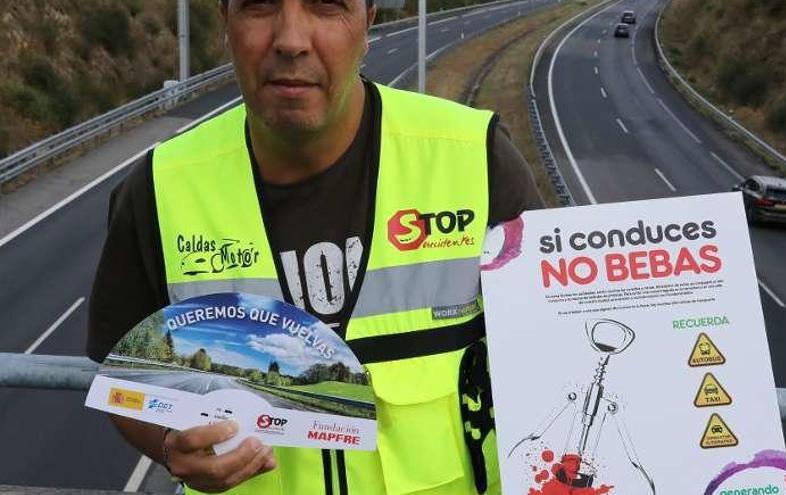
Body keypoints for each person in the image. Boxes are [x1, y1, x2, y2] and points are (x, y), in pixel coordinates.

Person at [87, 0, 543, 493]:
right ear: (226, 21)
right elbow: (127, 384)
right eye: (259, 6)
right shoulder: (159, 190)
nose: (290, 39)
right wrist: (170, 446)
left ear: (368, 21)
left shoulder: (475, 161)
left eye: (326, 6)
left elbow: (560, 354)